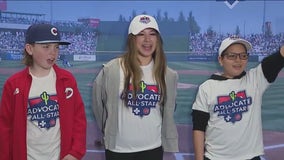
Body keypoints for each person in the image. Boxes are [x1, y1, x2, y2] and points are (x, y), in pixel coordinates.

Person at [92, 14, 179, 160]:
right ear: (132, 39)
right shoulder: (112, 69)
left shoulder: (168, 75)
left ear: (158, 39)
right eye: (141, 34)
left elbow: (168, 110)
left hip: (153, 149)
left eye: (152, 34)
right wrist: (108, 129)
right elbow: (98, 106)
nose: (147, 39)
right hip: (118, 150)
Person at [0, 23, 87, 160]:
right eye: (46, 47)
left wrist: (75, 152)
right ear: (29, 49)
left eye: (56, 47)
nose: (53, 52)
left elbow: (79, 119)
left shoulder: (67, 80)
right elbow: (4, 129)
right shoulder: (13, 84)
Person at [191, 35, 284, 160]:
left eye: (243, 56)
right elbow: (199, 127)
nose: (238, 60)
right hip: (216, 157)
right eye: (232, 56)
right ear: (220, 59)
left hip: (250, 157)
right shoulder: (207, 87)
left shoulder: (255, 79)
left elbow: (279, 57)